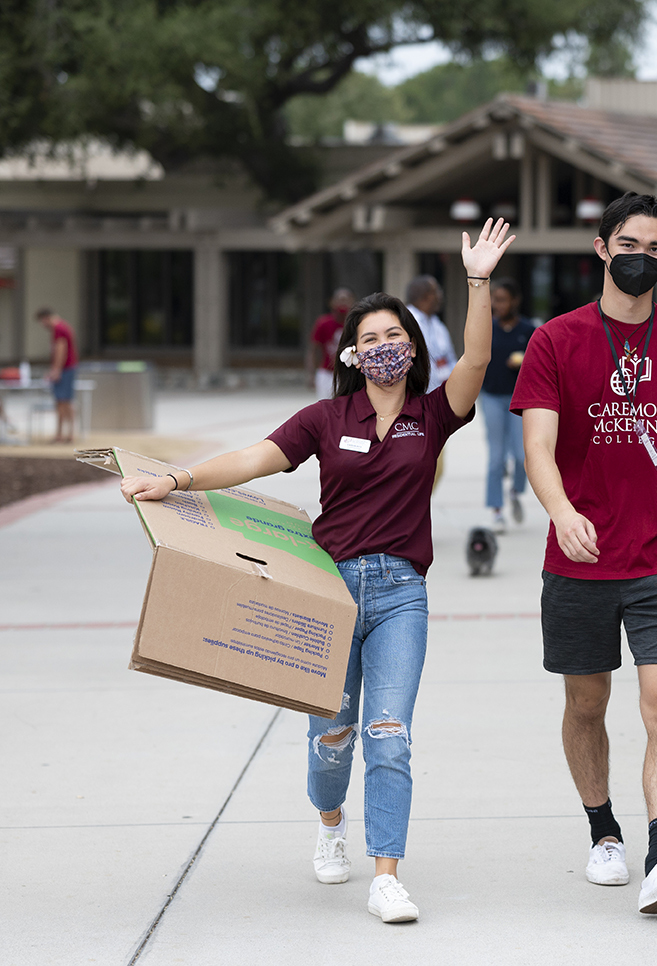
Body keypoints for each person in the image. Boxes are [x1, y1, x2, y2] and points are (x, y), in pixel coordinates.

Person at [118, 219, 515, 925]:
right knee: (332, 740)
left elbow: (479, 366)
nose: (383, 348)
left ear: (412, 347)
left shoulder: (433, 414)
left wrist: (477, 282)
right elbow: (252, 458)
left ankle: (387, 873)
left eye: (393, 336)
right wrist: (176, 478)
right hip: (329, 595)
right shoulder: (327, 418)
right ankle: (330, 824)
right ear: (354, 356)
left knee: (388, 733)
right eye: (369, 341)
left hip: (401, 596)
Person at [512, 192, 657, 916]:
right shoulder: (557, 341)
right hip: (578, 560)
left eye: (654, 247)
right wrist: (561, 511)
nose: (639, 257)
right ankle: (603, 830)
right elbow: (538, 445)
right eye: (628, 243)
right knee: (587, 703)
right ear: (601, 247)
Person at [481, 277, 534, 532]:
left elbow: (540, 366)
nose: (496, 304)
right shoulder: (487, 328)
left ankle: (515, 491)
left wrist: (524, 362)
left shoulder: (529, 330)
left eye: (501, 299)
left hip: (520, 400)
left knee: (523, 456)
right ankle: (497, 511)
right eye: (494, 299)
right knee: (496, 458)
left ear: (515, 300)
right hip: (491, 397)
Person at [404, 276, 455, 393]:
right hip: (418, 393)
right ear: (424, 296)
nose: (440, 296)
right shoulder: (406, 321)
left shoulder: (436, 323)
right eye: (436, 291)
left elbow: (449, 357)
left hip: (440, 391)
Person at [36, 309, 78, 444]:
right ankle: (65, 433)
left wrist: (56, 370)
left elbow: (61, 350)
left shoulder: (59, 329)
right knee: (64, 401)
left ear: (46, 318)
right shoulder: (63, 327)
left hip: (65, 369)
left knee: (63, 401)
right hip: (67, 368)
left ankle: (64, 433)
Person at [308, 288, 356, 400]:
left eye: (346, 300)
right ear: (332, 303)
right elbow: (313, 350)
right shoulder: (323, 323)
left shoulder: (355, 324)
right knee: (326, 407)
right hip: (326, 373)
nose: (342, 304)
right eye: (340, 300)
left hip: (348, 373)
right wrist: (311, 374)